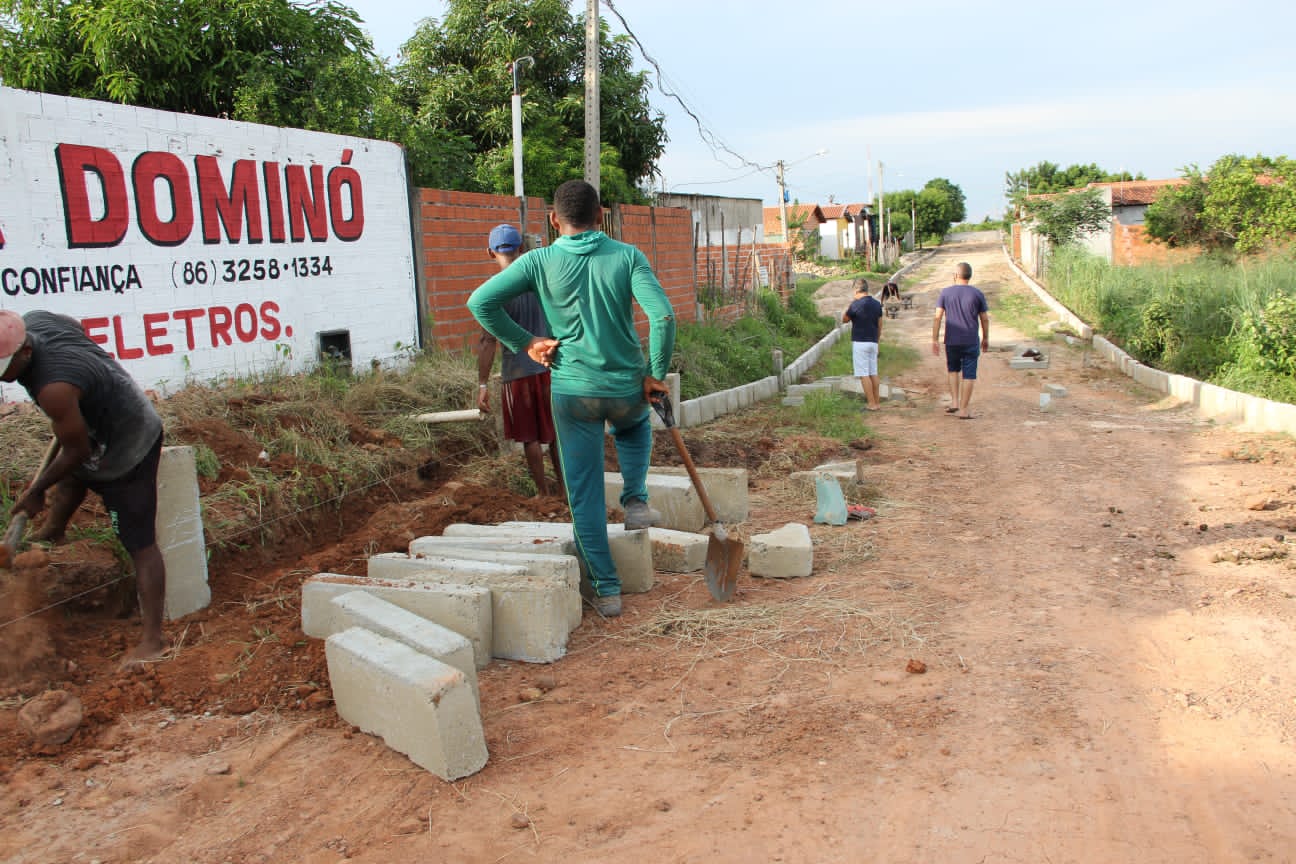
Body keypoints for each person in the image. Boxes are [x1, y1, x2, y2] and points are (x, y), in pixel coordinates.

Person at [467, 180, 676, 618]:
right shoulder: (627, 256)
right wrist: (655, 374)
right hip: (625, 385)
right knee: (634, 425)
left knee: (583, 495)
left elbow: (480, 303)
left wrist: (526, 342)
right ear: (601, 215)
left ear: (552, 220)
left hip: (572, 392)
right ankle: (635, 500)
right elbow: (662, 316)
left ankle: (608, 590)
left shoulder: (538, 261)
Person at [0, 308, 168, 663]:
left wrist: (36, 491)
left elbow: (77, 451)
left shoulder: (55, 389)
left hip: (130, 439)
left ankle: (153, 641)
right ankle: (53, 531)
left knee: (139, 543)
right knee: (74, 474)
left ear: (26, 351)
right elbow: (75, 326)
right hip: (96, 419)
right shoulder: (35, 321)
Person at [475, 224, 563, 497]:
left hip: (517, 375)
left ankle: (543, 494)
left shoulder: (494, 292)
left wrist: (482, 385)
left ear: (490, 252)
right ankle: (565, 490)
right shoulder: (541, 283)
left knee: (530, 437)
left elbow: (487, 341)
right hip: (550, 369)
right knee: (556, 434)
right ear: (522, 248)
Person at [931, 262, 990, 419]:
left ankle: (955, 403)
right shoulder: (977, 294)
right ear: (969, 276)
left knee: (953, 370)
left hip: (952, 340)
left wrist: (934, 339)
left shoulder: (945, 293)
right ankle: (963, 410)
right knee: (969, 375)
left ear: (956, 275)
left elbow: (937, 317)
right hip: (970, 340)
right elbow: (984, 318)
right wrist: (986, 338)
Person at [841, 278, 884, 410]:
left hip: (860, 343)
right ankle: (877, 403)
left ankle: (871, 404)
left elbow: (844, 319)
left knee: (864, 374)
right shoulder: (877, 304)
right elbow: (880, 325)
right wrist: (877, 340)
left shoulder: (855, 304)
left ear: (856, 290)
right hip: (873, 342)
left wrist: (850, 305)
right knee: (873, 373)